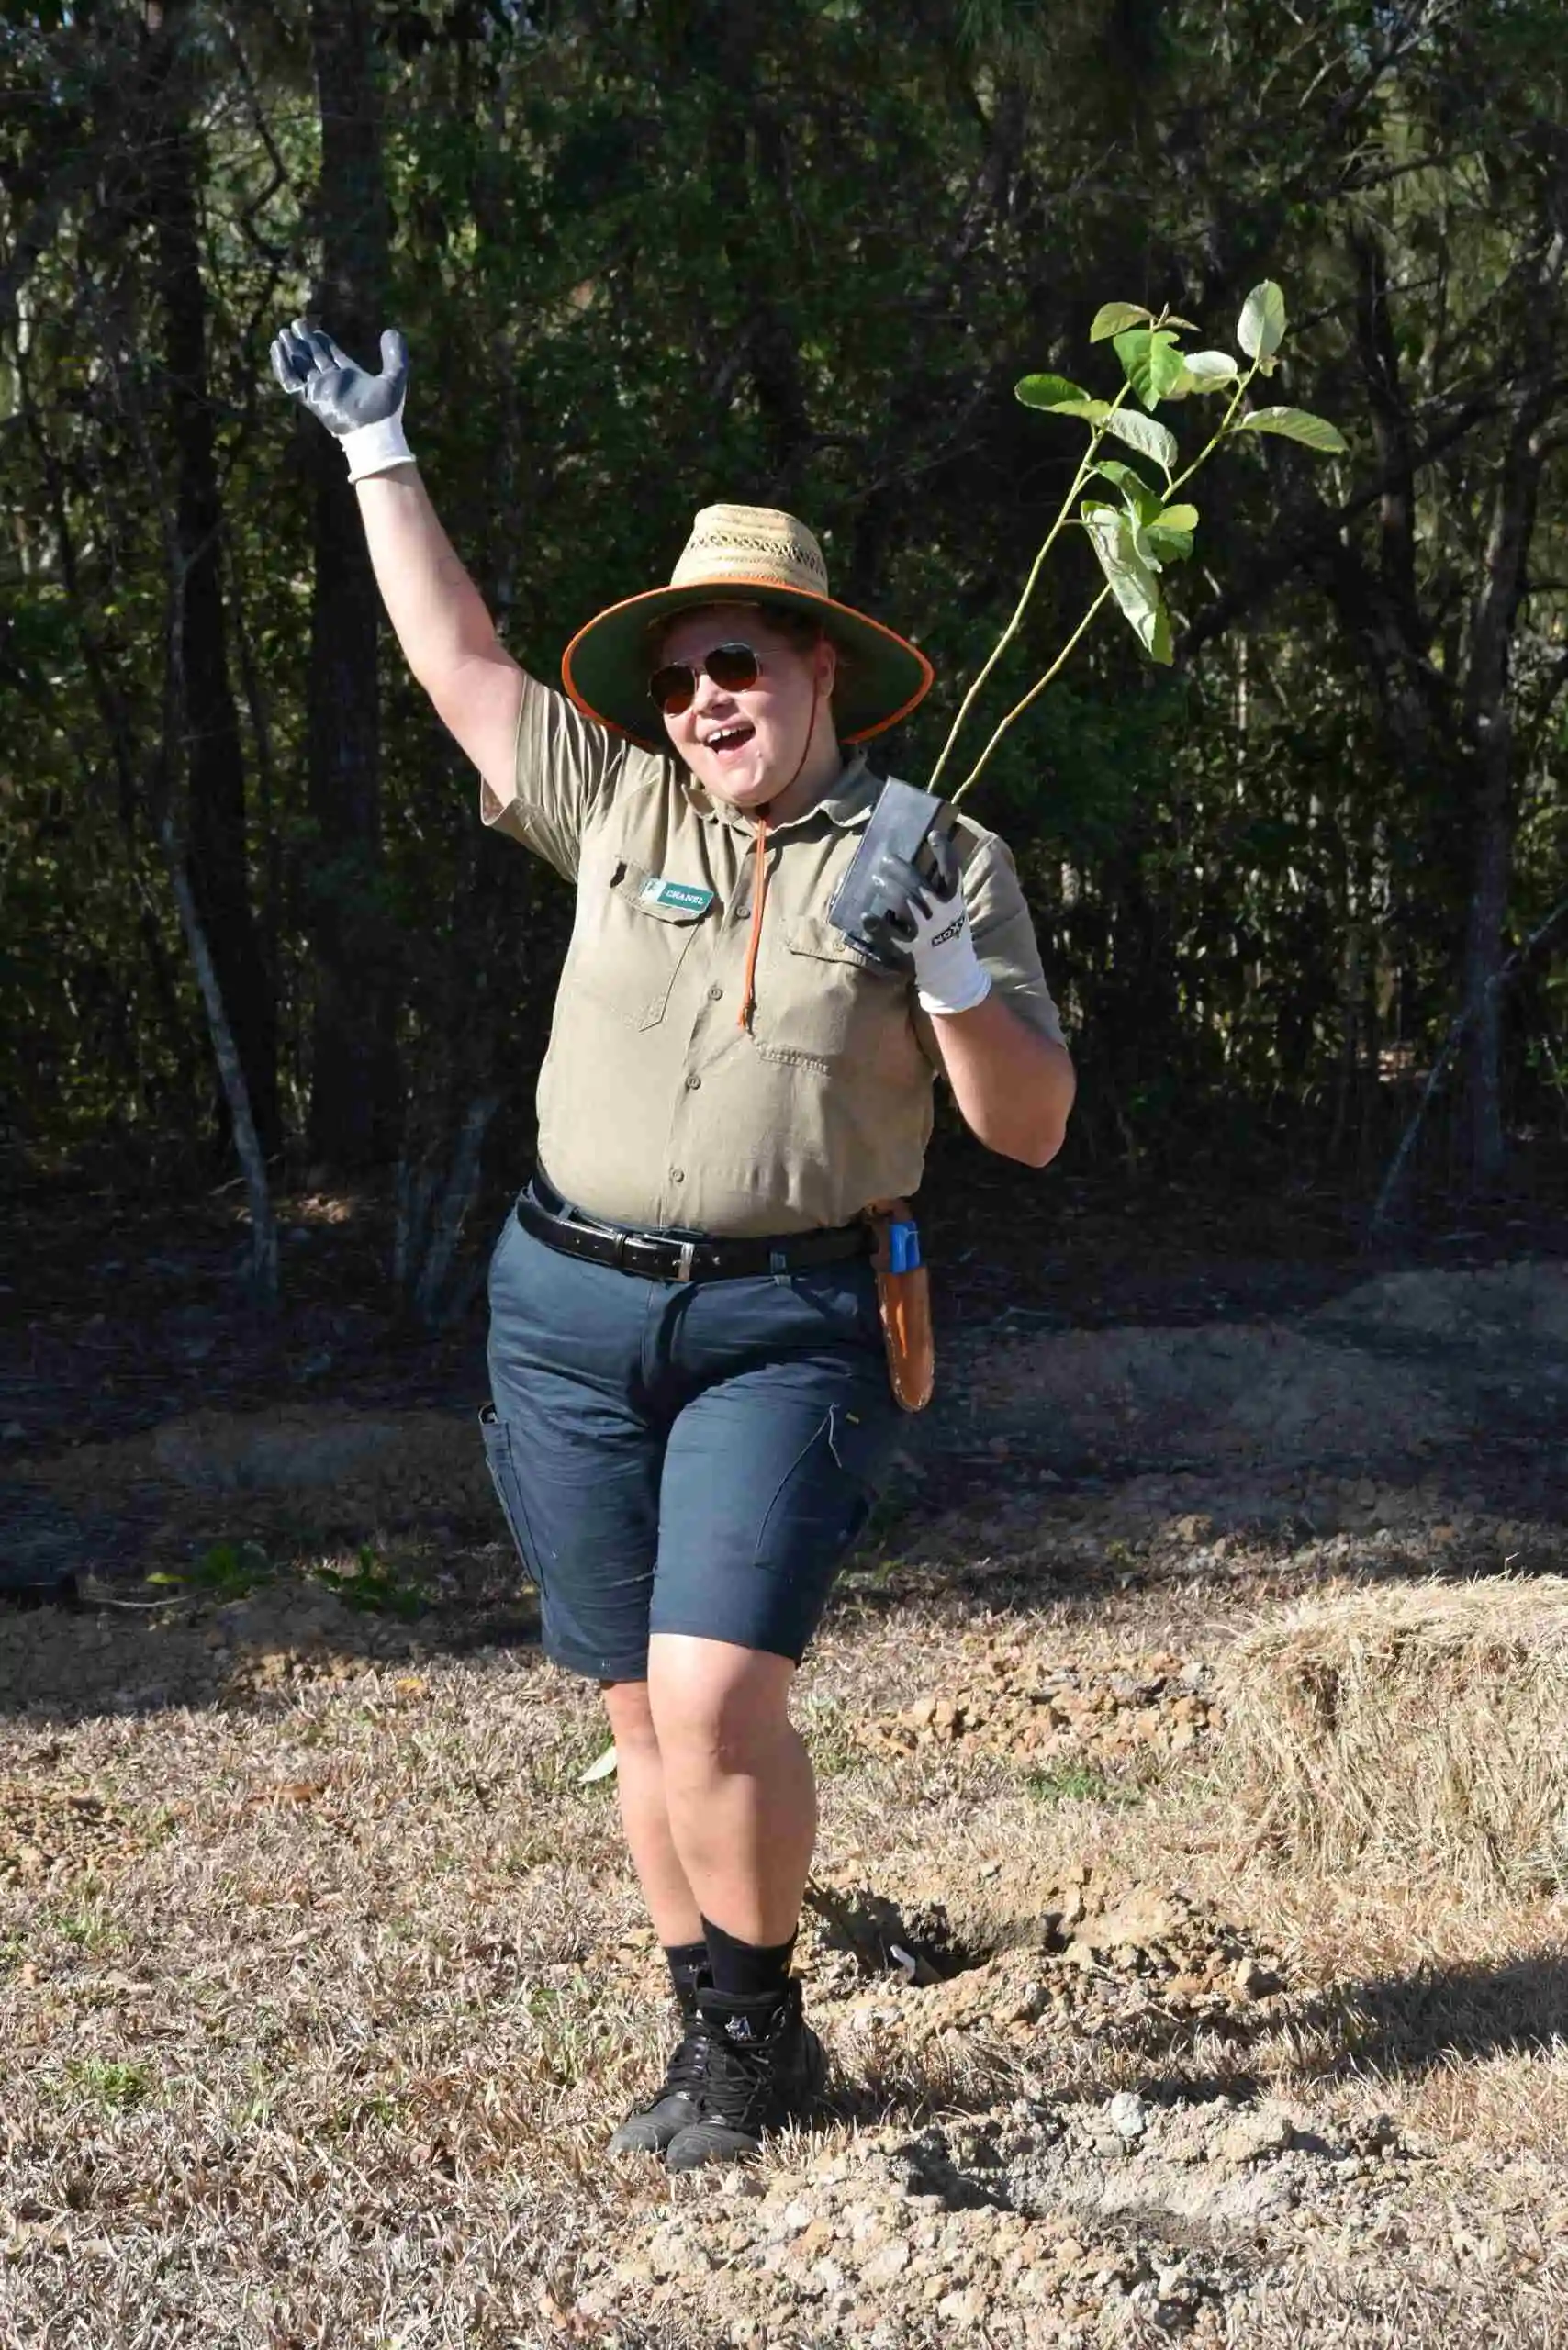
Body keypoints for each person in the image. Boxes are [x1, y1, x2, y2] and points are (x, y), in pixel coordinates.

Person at [272, 319, 1076, 2171]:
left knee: (718, 1691)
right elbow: (460, 664)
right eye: (683, 671)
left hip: (792, 1319)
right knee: (642, 1709)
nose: (705, 695)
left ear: (822, 672)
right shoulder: (623, 810)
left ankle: (761, 2006)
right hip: (563, 1311)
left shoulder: (935, 850)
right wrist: (378, 454)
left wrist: (943, 962)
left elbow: (1023, 1126)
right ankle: (723, 2032)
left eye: (741, 661)